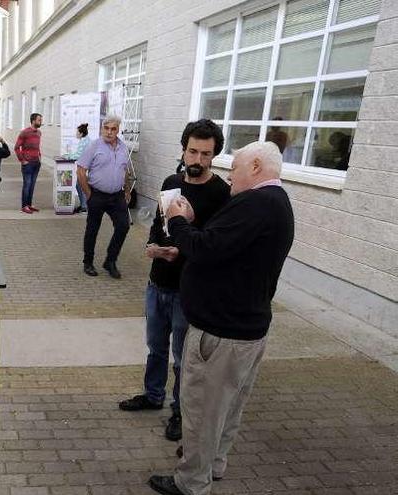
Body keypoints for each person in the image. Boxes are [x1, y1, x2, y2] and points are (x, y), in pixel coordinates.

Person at [148, 141, 295, 495]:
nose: (230, 176)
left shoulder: (256, 203)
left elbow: (203, 249)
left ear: (257, 166)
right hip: (245, 329)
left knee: (201, 413)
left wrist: (179, 221)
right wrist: (194, 227)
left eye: (237, 167)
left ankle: (191, 482)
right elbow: (223, 244)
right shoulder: (275, 202)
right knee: (227, 409)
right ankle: (213, 465)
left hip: (221, 333)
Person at [118, 120, 230, 445]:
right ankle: (152, 395)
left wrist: (187, 245)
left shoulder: (221, 194)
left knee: (184, 358)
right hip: (158, 283)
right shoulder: (171, 182)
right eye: (192, 151)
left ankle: (180, 411)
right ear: (183, 150)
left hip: (190, 292)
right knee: (155, 348)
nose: (197, 159)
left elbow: (215, 245)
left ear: (214, 156)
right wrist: (152, 248)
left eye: (205, 154)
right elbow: (158, 224)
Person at [77, 115, 132, 278]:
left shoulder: (123, 148)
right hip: (97, 194)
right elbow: (80, 170)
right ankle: (88, 262)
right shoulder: (94, 146)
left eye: (113, 129)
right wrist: (88, 194)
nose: (109, 132)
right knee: (92, 229)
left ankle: (110, 261)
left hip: (117, 196)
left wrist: (127, 190)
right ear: (102, 129)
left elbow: (125, 170)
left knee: (124, 226)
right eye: (106, 128)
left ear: (118, 130)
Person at [15, 113, 43, 214]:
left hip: (36, 163)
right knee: (27, 184)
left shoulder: (39, 133)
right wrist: (22, 160)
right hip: (27, 164)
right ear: (33, 120)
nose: (41, 122)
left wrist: (39, 156)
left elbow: (37, 146)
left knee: (32, 185)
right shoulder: (24, 132)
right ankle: (24, 206)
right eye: (39, 120)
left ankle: (29, 205)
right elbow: (17, 147)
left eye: (41, 120)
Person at [69, 123, 91, 213]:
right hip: (85, 166)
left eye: (77, 132)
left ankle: (84, 206)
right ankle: (83, 205)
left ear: (81, 133)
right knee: (80, 185)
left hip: (85, 167)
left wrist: (67, 156)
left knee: (81, 185)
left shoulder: (84, 141)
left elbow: (78, 155)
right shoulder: (86, 140)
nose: (76, 134)